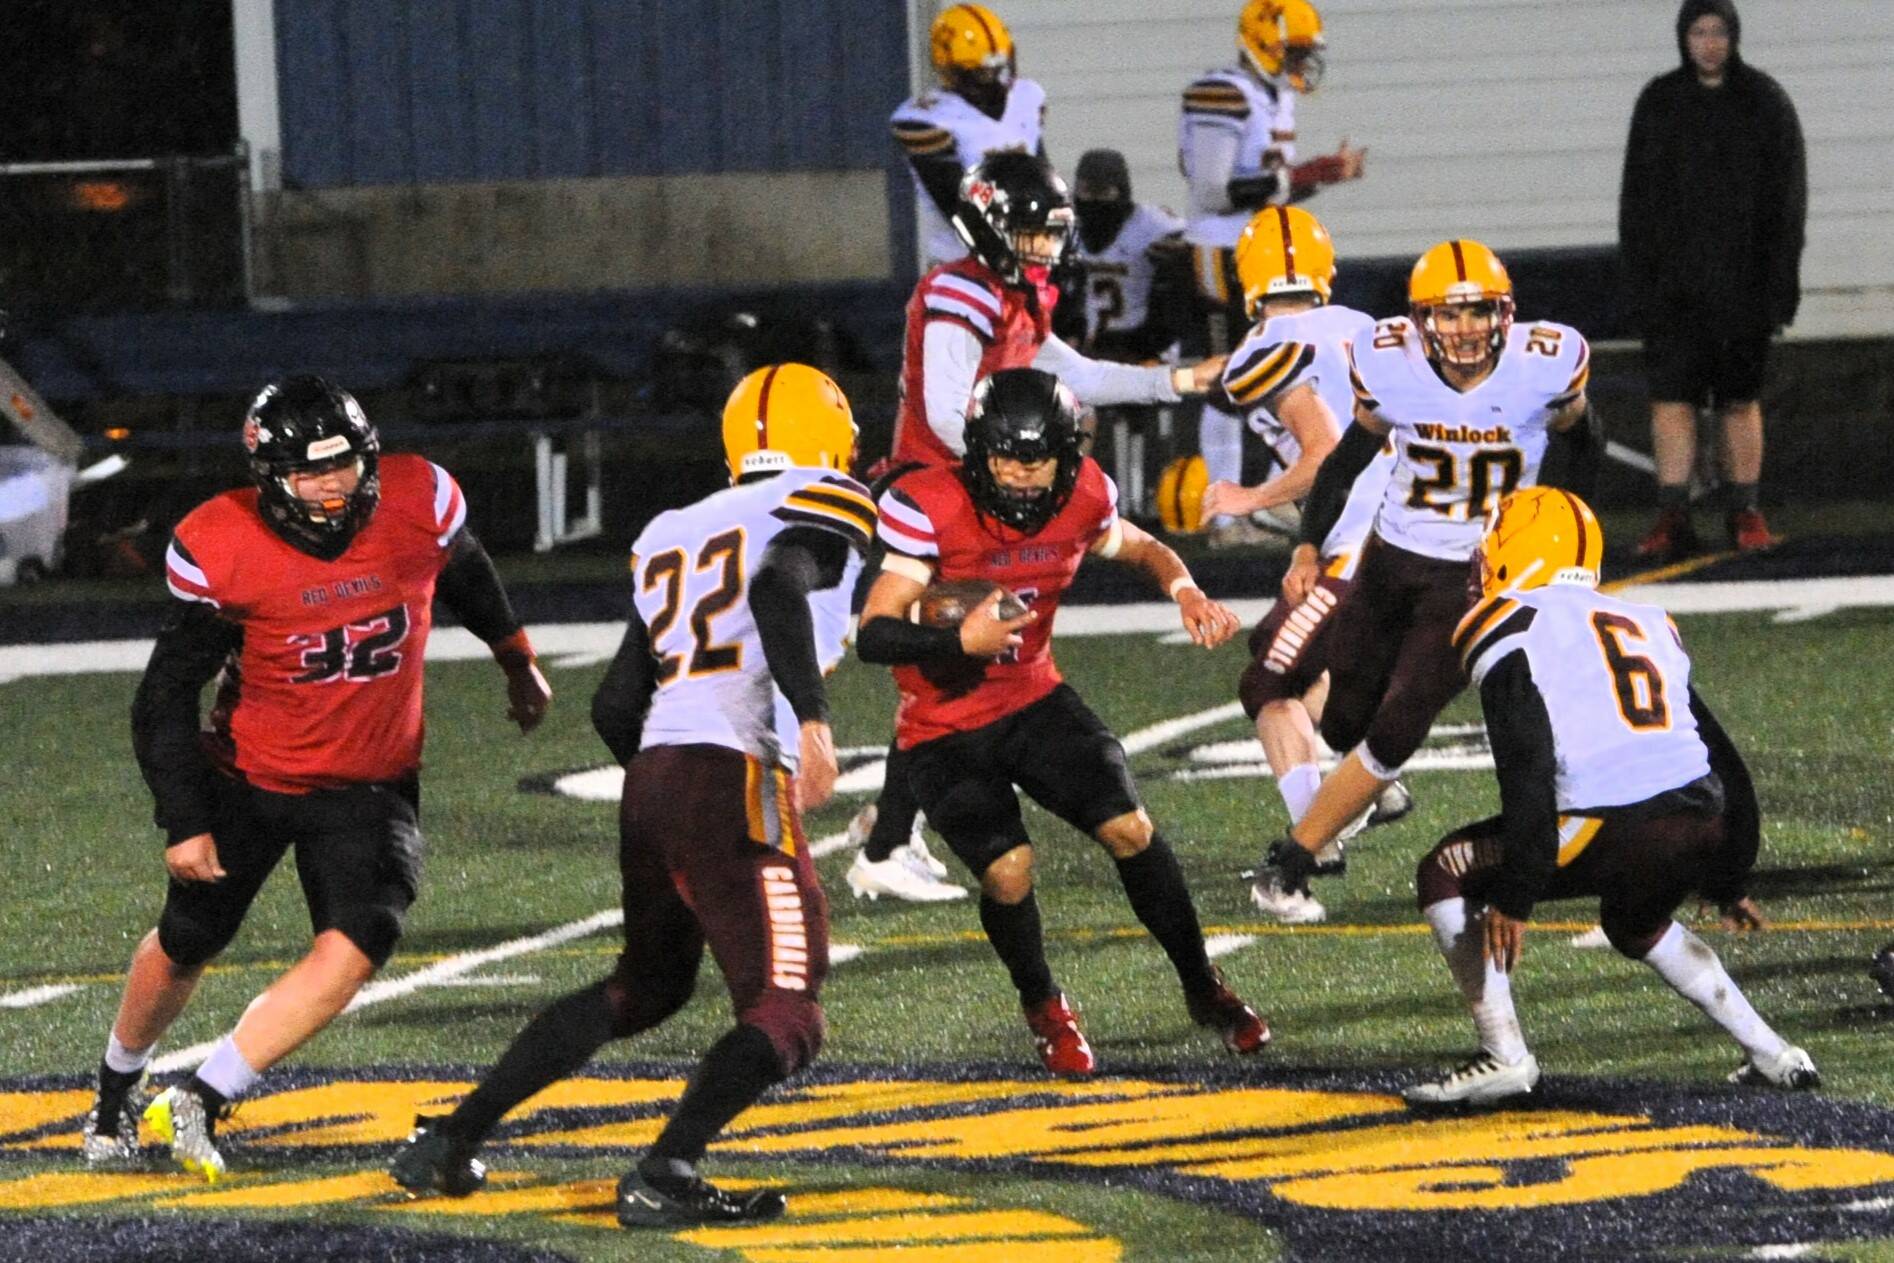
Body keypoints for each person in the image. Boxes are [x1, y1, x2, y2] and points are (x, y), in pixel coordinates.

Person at [390, 364, 870, 1227]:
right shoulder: (829, 496)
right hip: (734, 768)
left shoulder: (671, 531)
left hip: (655, 770)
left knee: (646, 985)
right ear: (828, 436)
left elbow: (617, 701)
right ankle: (667, 1169)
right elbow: (774, 586)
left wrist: (669, 791)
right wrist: (813, 722)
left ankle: (451, 1138)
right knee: (789, 1007)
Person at [85, 376, 551, 1180]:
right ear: (270, 478)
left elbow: (466, 568)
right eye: (310, 471)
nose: (333, 486)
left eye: (344, 465)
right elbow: (163, 695)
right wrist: (184, 819)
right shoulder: (224, 545)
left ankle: (204, 1091)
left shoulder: (419, 500)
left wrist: (516, 659)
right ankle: (114, 1092)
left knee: (363, 935)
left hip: (369, 781)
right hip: (250, 775)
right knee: (190, 939)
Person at [856, 367, 1267, 1076]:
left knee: (1130, 828)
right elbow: (874, 632)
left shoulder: (1083, 495)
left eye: (1036, 457)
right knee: (1010, 871)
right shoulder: (929, 504)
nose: (1019, 474)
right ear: (977, 450)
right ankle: (1044, 1004)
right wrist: (960, 641)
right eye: (1005, 456)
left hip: (1033, 697)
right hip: (941, 724)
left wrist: (1186, 589)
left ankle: (1203, 984)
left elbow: (1142, 546)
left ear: (1065, 456)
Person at [850, 150, 1225, 904]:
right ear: (988, 225)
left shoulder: (1012, 295)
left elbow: (1075, 372)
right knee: (950, 671)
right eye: (1030, 233)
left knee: (960, 674)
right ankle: (887, 842)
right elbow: (948, 415)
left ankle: (889, 837)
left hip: (979, 493)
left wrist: (1176, 381)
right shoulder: (960, 291)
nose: (1046, 248)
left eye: (1052, 234)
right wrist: (1031, 472)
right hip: (941, 500)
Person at [1402, 486, 1817, 1104]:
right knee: (1635, 920)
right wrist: (1729, 875)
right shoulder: (1648, 621)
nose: (1481, 565)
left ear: (1516, 549)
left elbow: (1528, 765)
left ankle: (1503, 1054)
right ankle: (1776, 1054)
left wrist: (1517, 893)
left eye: (1490, 548)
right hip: (1702, 816)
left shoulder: (1505, 624)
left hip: (1609, 819)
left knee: (1444, 870)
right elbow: (1721, 753)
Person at [1251, 239, 1601, 913]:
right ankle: (1358, 793)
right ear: (1419, 321)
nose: (1465, 330)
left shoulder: (1543, 365)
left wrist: (1567, 535)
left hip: (1476, 573)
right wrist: (1307, 545)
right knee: (1345, 716)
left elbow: (1585, 439)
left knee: (1399, 721)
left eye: (1478, 313)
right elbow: (1347, 458)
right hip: (1390, 557)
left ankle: (1295, 856)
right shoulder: (1391, 365)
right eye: (1447, 314)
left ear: (1507, 314)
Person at [1194, 205, 1405, 923]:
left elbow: (1323, 455)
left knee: (1268, 686)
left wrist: (1245, 495)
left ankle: (1317, 837)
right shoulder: (1366, 327)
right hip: (1412, 535)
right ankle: (1369, 782)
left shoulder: (1269, 346)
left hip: (1359, 543)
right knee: (1311, 670)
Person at [1621, 0, 1806, 561]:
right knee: (1671, 401)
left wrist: (1780, 283)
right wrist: (1642, 282)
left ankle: (1745, 512)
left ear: (1734, 36)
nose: (1709, 43)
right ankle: (1673, 514)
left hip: (1745, 289)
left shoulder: (1765, 102)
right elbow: (1636, 201)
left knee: (1739, 401)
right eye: (1699, 32)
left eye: (1718, 32)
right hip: (1673, 292)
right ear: (1684, 37)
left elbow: (1788, 199)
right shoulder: (1660, 102)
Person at [1178, 0, 1365, 546]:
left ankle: (1274, 498)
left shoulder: (1273, 93)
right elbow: (1213, 191)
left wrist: (1318, 178)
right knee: (1233, 379)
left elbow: (1271, 188)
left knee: (1281, 380)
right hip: (1224, 251)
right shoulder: (1224, 92)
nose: (1303, 63)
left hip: (1264, 252)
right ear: (1266, 42)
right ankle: (1225, 515)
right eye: (1296, 51)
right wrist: (1311, 172)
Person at [1062, 148, 1194, 517]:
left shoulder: (1153, 226)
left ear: (1122, 191)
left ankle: (1148, 496)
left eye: (1103, 193)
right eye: (1087, 192)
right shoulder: (1068, 225)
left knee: (1140, 408)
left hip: (1144, 340)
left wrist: (1153, 335)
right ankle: (1074, 498)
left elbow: (1180, 288)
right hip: (1094, 344)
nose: (1094, 202)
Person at [891, 4, 1047, 268]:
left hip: (1029, 259)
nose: (997, 80)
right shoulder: (927, 119)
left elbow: (1043, 177)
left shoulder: (1026, 98)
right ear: (952, 72)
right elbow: (957, 205)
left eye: (1001, 68)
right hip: (962, 264)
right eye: (984, 72)